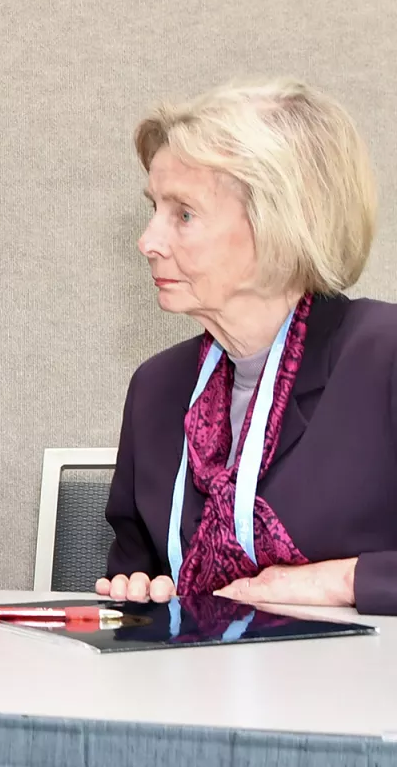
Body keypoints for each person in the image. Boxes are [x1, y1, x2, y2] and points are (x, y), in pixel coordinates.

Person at [98, 78, 396, 613]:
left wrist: (345, 582)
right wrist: (142, 591)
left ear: (281, 224)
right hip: (192, 691)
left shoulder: (385, 357)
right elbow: (135, 565)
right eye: (154, 208)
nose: (148, 241)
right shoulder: (156, 389)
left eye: (183, 214)